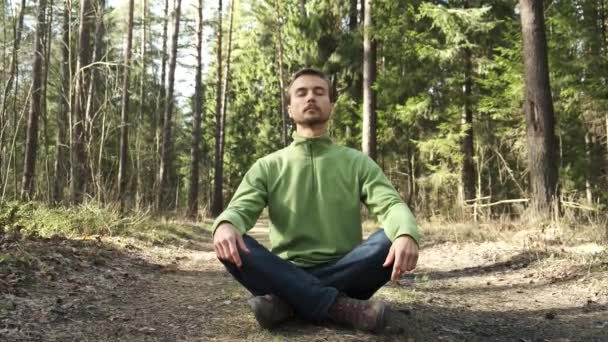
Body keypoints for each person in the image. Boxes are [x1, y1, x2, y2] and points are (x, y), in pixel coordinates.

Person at [211, 68, 420, 332]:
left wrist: (405, 234)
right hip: (286, 267)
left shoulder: (357, 162)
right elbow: (239, 210)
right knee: (232, 245)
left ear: (331, 104)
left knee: (389, 238)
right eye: (301, 93)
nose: (310, 97)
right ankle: (340, 307)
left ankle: (287, 302)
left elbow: (391, 205)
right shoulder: (267, 166)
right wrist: (226, 224)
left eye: (319, 92)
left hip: (349, 268)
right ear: (289, 108)